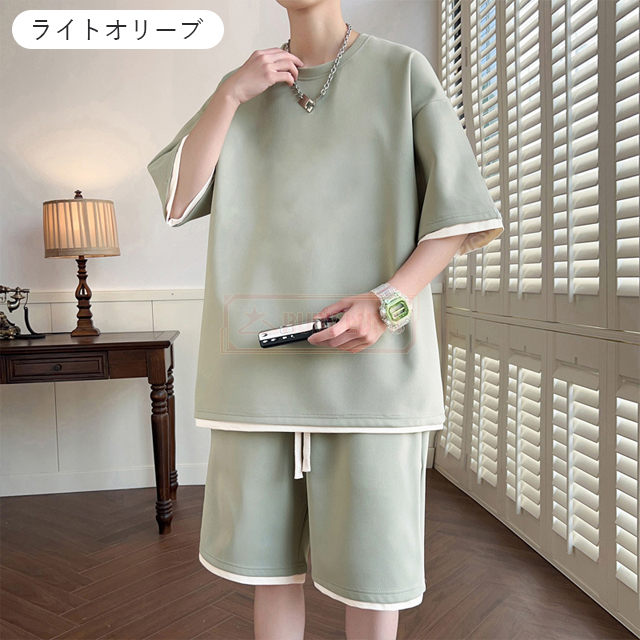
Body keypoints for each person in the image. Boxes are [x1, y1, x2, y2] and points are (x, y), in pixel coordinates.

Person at [147, 2, 504, 638]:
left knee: (374, 582)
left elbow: (458, 217)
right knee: (271, 577)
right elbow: (177, 203)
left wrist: (388, 302)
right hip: (258, 377)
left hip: (372, 376)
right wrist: (230, 94)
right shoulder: (243, 86)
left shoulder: (402, 72)